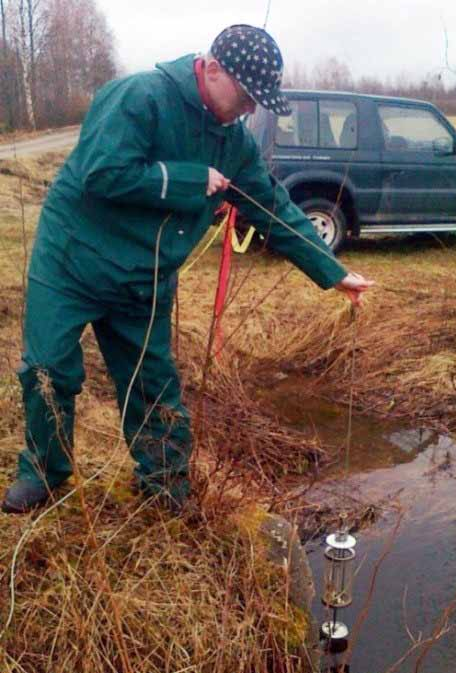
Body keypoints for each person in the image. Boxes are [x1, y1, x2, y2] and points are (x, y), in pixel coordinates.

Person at [2, 24, 374, 514]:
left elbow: (273, 206)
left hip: (145, 277)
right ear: (212, 68)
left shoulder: (235, 143)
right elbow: (102, 173)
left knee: (152, 383)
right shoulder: (139, 97)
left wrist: (331, 270)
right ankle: (45, 474)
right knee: (49, 369)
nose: (249, 110)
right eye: (245, 96)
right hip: (72, 259)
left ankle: (165, 487)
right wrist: (187, 179)